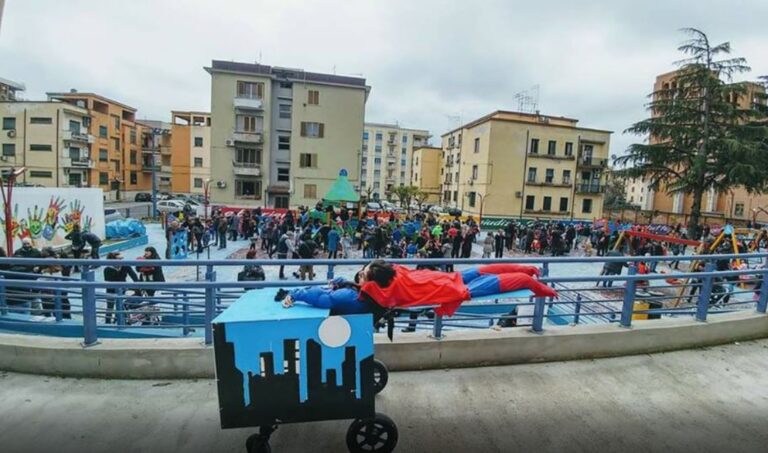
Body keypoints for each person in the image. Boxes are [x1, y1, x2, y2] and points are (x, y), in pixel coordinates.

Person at [103, 252, 139, 324]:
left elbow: (133, 275)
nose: (121, 260)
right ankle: (107, 322)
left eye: (121, 259)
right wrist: (117, 270)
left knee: (120, 305)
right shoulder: (107, 269)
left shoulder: (125, 266)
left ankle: (118, 319)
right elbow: (109, 281)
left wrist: (138, 285)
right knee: (110, 307)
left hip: (122, 289)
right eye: (119, 259)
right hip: (111, 290)